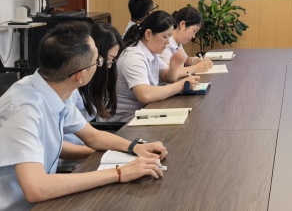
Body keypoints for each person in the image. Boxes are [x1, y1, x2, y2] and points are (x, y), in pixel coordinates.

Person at [0, 21, 167, 210]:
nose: (102, 65)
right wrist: (120, 173)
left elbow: (92, 136)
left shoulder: (53, 88)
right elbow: (36, 188)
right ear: (80, 76)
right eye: (98, 61)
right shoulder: (23, 109)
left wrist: (135, 147)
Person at [106, 10, 200, 122]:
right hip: (124, 121)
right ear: (148, 34)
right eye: (165, 37)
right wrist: (181, 86)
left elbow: (167, 76)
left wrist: (173, 67)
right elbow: (145, 95)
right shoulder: (133, 56)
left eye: (169, 37)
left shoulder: (151, 51)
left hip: (143, 113)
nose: (168, 42)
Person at [63, 23, 125, 150]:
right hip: (75, 151)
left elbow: (92, 136)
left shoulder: (92, 82)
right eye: (109, 59)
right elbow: (90, 137)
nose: (109, 66)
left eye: (113, 60)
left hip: (85, 146)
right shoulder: (72, 89)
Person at [159, 6, 213, 74]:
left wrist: (198, 61)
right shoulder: (165, 42)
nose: (193, 36)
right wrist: (196, 68)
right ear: (182, 24)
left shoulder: (178, 42)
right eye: (194, 31)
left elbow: (185, 60)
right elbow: (168, 71)